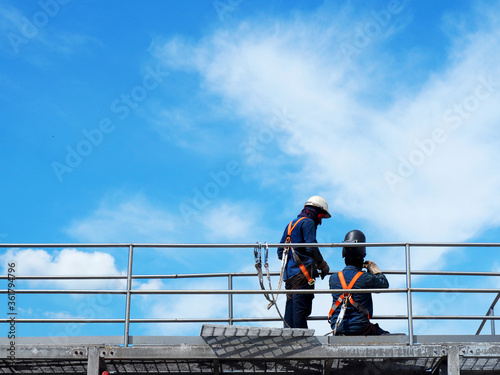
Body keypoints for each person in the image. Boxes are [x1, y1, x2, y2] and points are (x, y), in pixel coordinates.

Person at [277, 196, 331, 328]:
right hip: (303, 276)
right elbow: (311, 248)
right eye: (321, 217)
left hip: (289, 278)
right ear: (317, 212)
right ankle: (303, 342)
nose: (320, 221)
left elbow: (280, 252)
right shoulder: (308, 223)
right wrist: (322, 265)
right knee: (301, 310)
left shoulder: (291, 224)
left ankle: (289, 341)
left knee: (290, 312)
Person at [328, 229, 389, 335]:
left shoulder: (333, 278)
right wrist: (375, 271)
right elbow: (384, 285)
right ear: (362, 257)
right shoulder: (366, 277)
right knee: (387, 337)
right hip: (360, 328)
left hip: (338, 327)